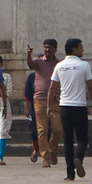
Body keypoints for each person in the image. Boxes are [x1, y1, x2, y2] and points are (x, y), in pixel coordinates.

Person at [52, 38, 92, 179]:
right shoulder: (84, 65)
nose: (83, 50)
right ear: (74, 49)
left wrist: (48, 105)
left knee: (68, 140)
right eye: (81, 47)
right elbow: (91, 86)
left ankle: (70, 173)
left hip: (64, 106)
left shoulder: (59, 66)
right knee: (82, 138)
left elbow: (52, 87)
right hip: (79, 106)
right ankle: (78, 158)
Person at [28, 38, 61, 166]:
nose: (47, 50)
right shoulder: (39, 62)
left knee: (57, 129)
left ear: (55, 49)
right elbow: (31, 65)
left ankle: (51, 149)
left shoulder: (59, 64)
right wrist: (29, 54)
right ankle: (45, 157)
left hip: (55, 100)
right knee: (42, 130)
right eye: (46, 47)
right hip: (40, 99)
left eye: (50, 47)